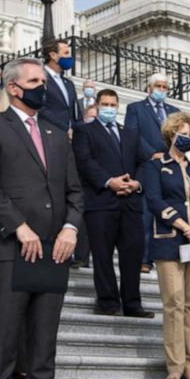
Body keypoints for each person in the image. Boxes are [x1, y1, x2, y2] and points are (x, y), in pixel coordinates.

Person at [0, 57, 83, 379]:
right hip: (7, 249)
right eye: (35, 80)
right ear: (14, 88)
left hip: (53, 249)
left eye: (43, 80)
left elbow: (74, 192)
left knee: (43, 340)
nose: (43, 86)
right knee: (0, 339)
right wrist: (19, 226)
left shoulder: (55, 133)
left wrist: (69, 228)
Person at [141, 111, 190, 379]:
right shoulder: (156, 166)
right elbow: (155, 200)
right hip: (169, 239)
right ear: (171, 134)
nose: (187, 139)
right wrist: (185, 226)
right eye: (183, 134)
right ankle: (175, 365)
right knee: (174, 303)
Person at [72, 89, 153, 319]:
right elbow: (85, 162)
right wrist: (109, 182)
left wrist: (136, 183)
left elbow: (144, 162)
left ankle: (132, 303)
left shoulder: (130, 134)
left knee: (132, 256)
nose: (109, 108)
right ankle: (107, 302)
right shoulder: (84, 131)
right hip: (101, 203)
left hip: (130, 203)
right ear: (97, 105)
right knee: (102, 256)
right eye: (105, 103)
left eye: (113, 104)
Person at [123, 73, 181, 273]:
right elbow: (133, 135)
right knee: (146, 215)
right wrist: (151, 154)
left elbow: (181, 137)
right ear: (149, 87)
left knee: (171, 211)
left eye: (165, 86)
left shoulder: (175, 111)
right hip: (148, 167)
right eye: (158, 86)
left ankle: (169, 255)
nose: (162, 89)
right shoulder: (136, 109)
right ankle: (144, 259)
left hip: (171, 167)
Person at [39, 38, 79, 133]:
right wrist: (64, 128)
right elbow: (41, 108)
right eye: (66, 53)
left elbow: (76, 112)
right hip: (50, 134)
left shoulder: (69, 84)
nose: (69, 56)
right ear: (53, 55)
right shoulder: (40, 78)